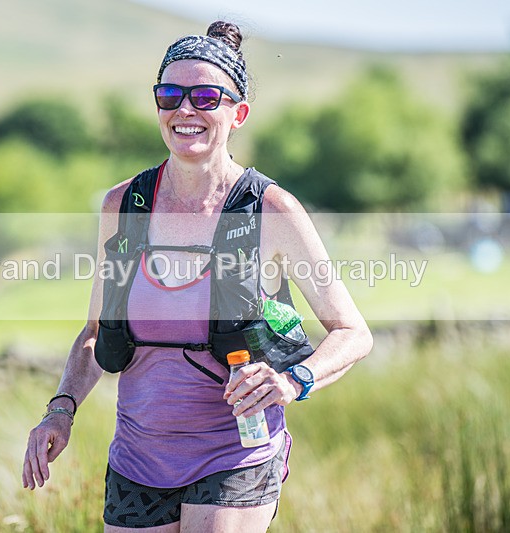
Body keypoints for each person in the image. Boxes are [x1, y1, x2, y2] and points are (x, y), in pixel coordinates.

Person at [22, 21, 373, 532]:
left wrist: (290, 381)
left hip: (237, 453)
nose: (185, 110)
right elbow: (96, 332)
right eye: (170, 95)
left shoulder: (269, 211)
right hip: (137, 460)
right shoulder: (125, 206)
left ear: (239, 114)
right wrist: (61, 410)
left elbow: (353, 332)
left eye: (207, 97)